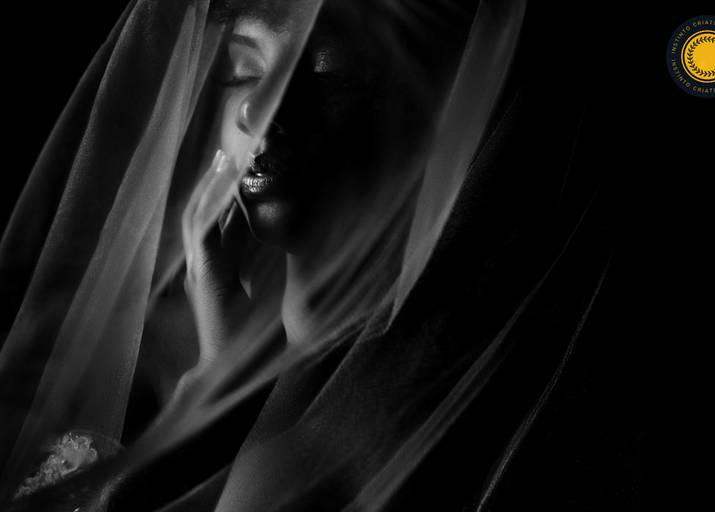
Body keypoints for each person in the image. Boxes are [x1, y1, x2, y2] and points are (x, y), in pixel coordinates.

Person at [0, 0, 617, 510]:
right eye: (240, 70)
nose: (255, 110)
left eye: (325, 69)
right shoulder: (142, 354)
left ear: (453, 114)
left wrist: (213, 389)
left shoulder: (360, 432)